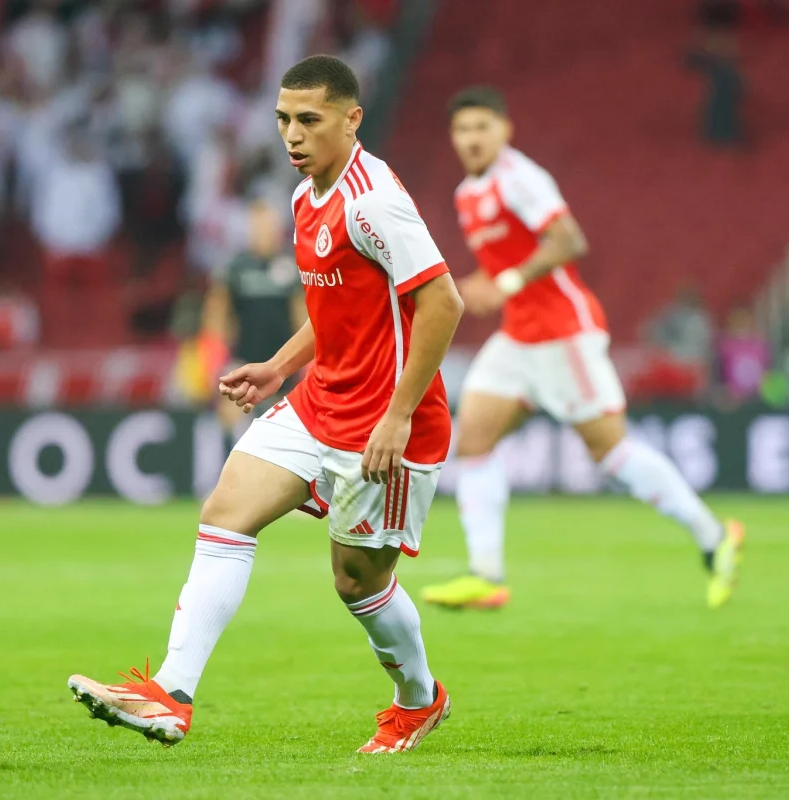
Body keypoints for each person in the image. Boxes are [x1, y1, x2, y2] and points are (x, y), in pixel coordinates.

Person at [68, 55, 464, 754]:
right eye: (283, 120)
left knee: (357, 582)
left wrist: (398, 416)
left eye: (309, 120)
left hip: (385, 422)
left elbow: (443, 302)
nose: (292, 135)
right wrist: (280, 367)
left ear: (352, 119)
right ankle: (170, 694)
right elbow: (337, 309)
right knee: (226, 512)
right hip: (319, 401)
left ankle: (418, 699)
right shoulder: (305, 196)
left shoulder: (372, 201)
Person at [421, 87, 744, 612]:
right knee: (473, 438)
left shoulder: (520, 178)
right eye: (462, 129)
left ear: (505, 131)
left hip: (563, 333)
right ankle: (487, 575)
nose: (472, 138)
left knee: (611, 453)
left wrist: (506, 284)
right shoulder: (466, 194)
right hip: (519, 336)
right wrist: (476, 285)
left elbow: (569, 240)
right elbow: (506, 261)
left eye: (482, 127)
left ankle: (714, 536)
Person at [201, 197, 307, 437]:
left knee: (282, 440)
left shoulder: (292, 266)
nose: (264, 231)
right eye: (258, 225)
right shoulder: (234, 269)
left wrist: (303, 372)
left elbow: (305, 321)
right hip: (243, 371)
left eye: (268, 224)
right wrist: (218, 373)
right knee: (238, 436)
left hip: (284, 371)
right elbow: (215, 323)